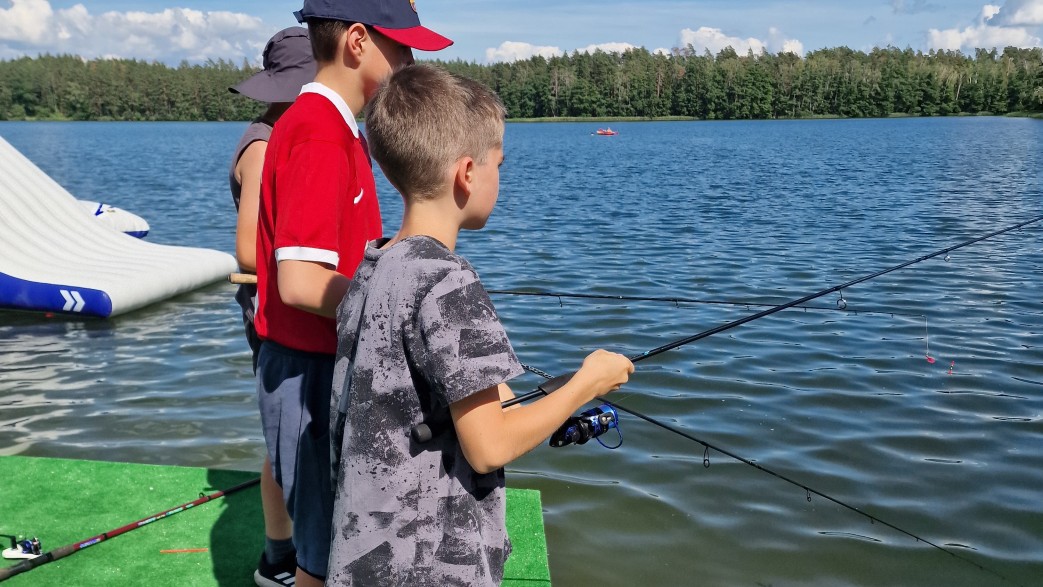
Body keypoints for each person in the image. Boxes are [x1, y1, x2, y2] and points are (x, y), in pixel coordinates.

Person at [327, 64, 635, 586]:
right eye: (499, 163)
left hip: (362, 554)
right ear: (467, 173)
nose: (500, 175)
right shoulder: (448, 282)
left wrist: (538, 405)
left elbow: (419, 391)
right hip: (428, 564)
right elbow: (488, 446)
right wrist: (587, 384)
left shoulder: (374, 266)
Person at [252, 2, 452, 586]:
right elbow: (300, 282)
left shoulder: (339, 128)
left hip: (323, 361)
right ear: (358, 42)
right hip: (306, 373)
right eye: (403, 48)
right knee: (320, 557)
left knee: (338, 539)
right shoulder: (318, 132)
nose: (411, 62)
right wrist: (399, 310)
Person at [227, 26, 316, 587]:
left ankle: (285, 552)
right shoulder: (264, 142)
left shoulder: (290, 134)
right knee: (286, 439)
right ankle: (281, 558)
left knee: (288, 438)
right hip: (273, 308)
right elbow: (246, 248)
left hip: (290, 300)